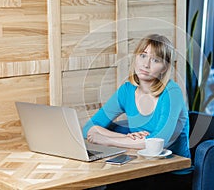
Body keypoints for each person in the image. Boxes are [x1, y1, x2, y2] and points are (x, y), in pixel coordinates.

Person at [82, 34, 192, 190]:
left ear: (165, 67)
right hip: (138, 169)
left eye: (155, 60)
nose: (146, 64)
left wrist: (107, 140)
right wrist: (125, 137)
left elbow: (158, 142)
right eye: (143, 55)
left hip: (172, 174)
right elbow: (88, 128)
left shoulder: (171, 92)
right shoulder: (127, 91)